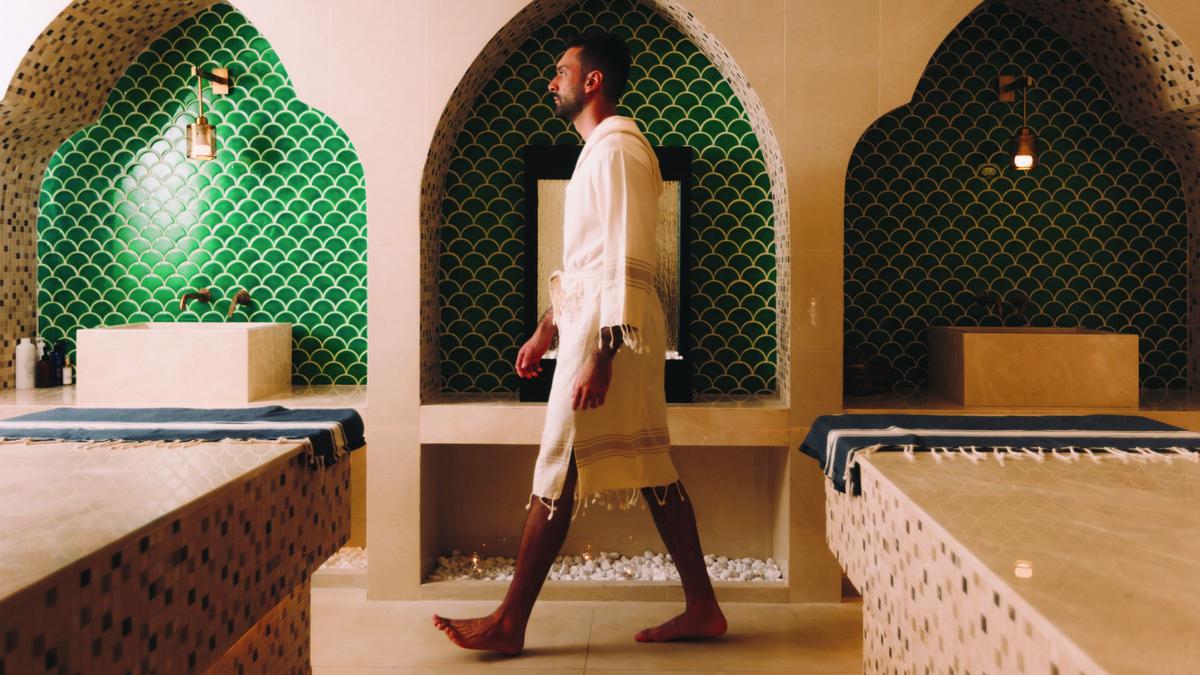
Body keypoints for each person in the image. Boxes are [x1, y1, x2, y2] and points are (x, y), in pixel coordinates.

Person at [433, 32, 726, 655]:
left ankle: (510, 621)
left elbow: (626, 255)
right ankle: (703, 606)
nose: (551, 81)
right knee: (649, 463)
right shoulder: (601, 150)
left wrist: (601, 354)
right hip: (599, 327)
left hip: (609, 335)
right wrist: (548, 326)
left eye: (561, 72)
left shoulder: (617, 149)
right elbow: (590, 263)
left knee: (560, 461)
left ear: (593, 81)